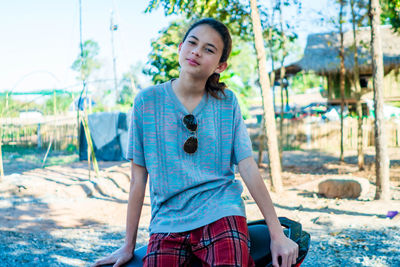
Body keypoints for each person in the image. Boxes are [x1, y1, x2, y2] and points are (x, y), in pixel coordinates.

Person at [93, 18, 298, 267]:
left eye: (209, 49)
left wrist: (277, 233)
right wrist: (128, 245)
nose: (197, 52)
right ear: (180, 48)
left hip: (221, 210)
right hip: (167, 219)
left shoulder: (227, 102)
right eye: (192, 43)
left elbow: (248, 167)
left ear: (220, 65)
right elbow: (138, 179)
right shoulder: (146, 102)